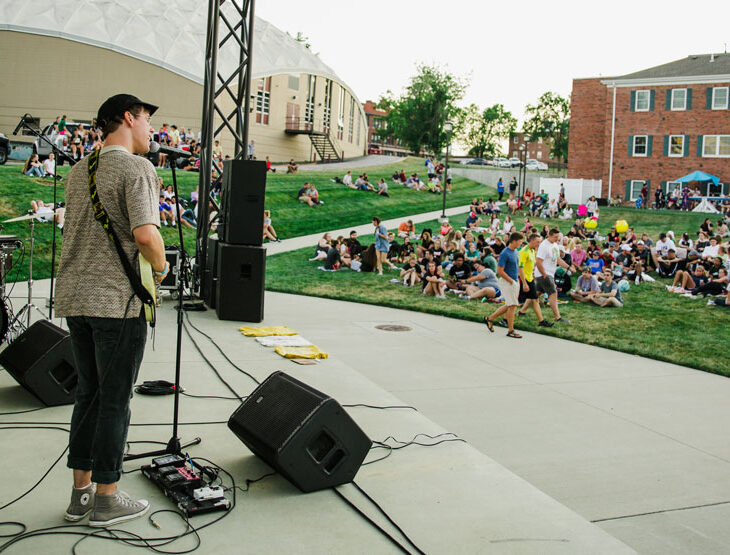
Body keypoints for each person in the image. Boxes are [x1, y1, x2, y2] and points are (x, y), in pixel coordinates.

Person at [55, 94, 168, 527]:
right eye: (146, 121)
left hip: (75, 298)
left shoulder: (77, 170)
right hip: (116, 304)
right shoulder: (138, 168)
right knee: (115, 400)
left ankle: (80, 495)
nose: (151, 131)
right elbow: (145, 235)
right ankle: (107, 497)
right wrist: (162, 267)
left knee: (88, 395)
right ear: (127, 118)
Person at [484, 232, 524, 338]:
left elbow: (517, 267)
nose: (521, 243)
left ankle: (490, 318)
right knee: (512, 306)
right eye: (520, 241)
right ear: (514, 241)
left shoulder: (516, 252)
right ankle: (511, 330)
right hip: (507, 281)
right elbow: (500, 271)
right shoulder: (505, 253)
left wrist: (519, 281)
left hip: (515, 281)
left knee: (510, 305)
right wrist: (511, 281)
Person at [516, 233, 553, 327]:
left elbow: (530, 266)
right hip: (524, 279)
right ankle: (503, 319)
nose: (539, 244)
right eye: (537, 242)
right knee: (512, 302)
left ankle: (541, 321)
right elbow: (520, 268)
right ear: (531, 241)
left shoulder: (532, 250)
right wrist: (524, 283)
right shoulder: (524, 251)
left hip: (530, 279)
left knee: (535, 299)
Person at [534, 228, 570, 324]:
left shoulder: (555, 245)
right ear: (549, 235)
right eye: (555, 237)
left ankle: (522, 311)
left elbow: (557, 259)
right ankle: (558, 317)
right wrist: (544, 274)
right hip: (544, 273)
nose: (557, 239)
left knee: (536, 294)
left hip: (549, 273)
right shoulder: (544, 246)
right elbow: (538, 261)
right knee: (553, 293)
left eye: (558, 237)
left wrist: (568, 267)